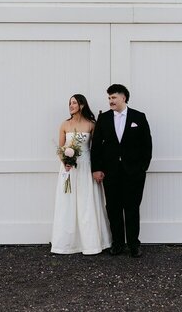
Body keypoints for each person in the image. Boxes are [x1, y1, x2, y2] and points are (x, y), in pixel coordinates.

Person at [91, 84, 152, 258]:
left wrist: (142, 168)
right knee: (113, 208)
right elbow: (96, 147)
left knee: (132, 208)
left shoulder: (138, 117)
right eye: (109, 98)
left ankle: (134, 244)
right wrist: (96, 169)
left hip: (134, 172)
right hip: (110, 172)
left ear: (123, 97)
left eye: (114, 97)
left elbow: (146, 145)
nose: (111, 101)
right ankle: (117, 243)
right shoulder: (104, 119)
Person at [50, 94, 112, 255]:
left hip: (85, 166)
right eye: (69, 103)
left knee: (86, 202)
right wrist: (65, 161)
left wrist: (98, 168)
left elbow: (96, 148)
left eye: (74, 103)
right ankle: (67, 244)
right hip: (69, 168)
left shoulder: (91, 124)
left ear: (82, 105)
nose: (71, 105)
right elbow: (61, 148)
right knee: (68, 202)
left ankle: (91, 243)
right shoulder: (65, 124)